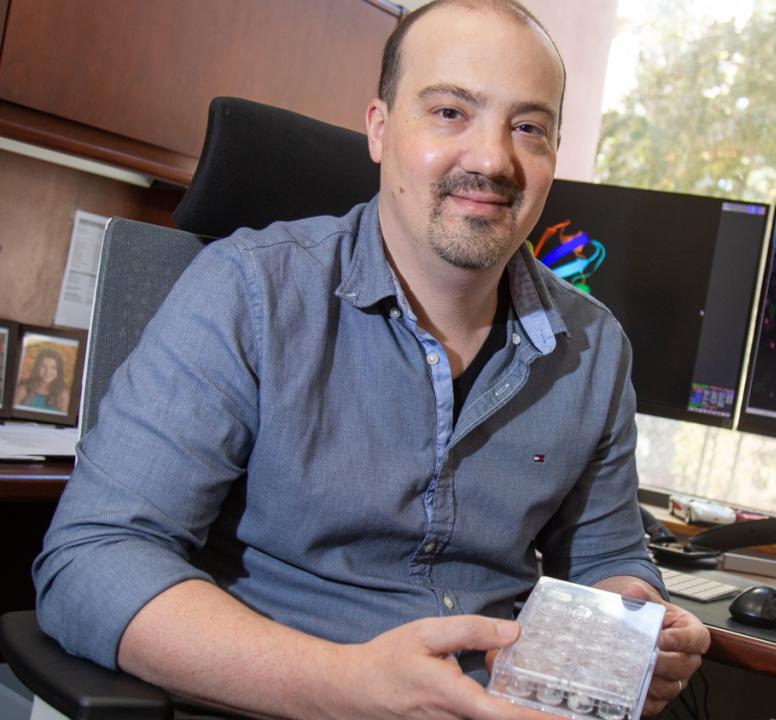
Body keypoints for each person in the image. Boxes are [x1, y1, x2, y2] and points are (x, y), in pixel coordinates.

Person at [33, 1, 709, 717]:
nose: (490, 158)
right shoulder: (248, 291)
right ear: (380, 130)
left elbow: (607, 563)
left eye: (528, 127)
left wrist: (636, 624)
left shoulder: (594, 349)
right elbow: (91, 561)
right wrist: (346, 686)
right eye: (450, 111)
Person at [14, 347, 69, 413]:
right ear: (37, 367)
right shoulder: (23, 390)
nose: (48, 372)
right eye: (43, 366)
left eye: (53, 367)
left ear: (59, 370)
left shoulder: (63, 395)